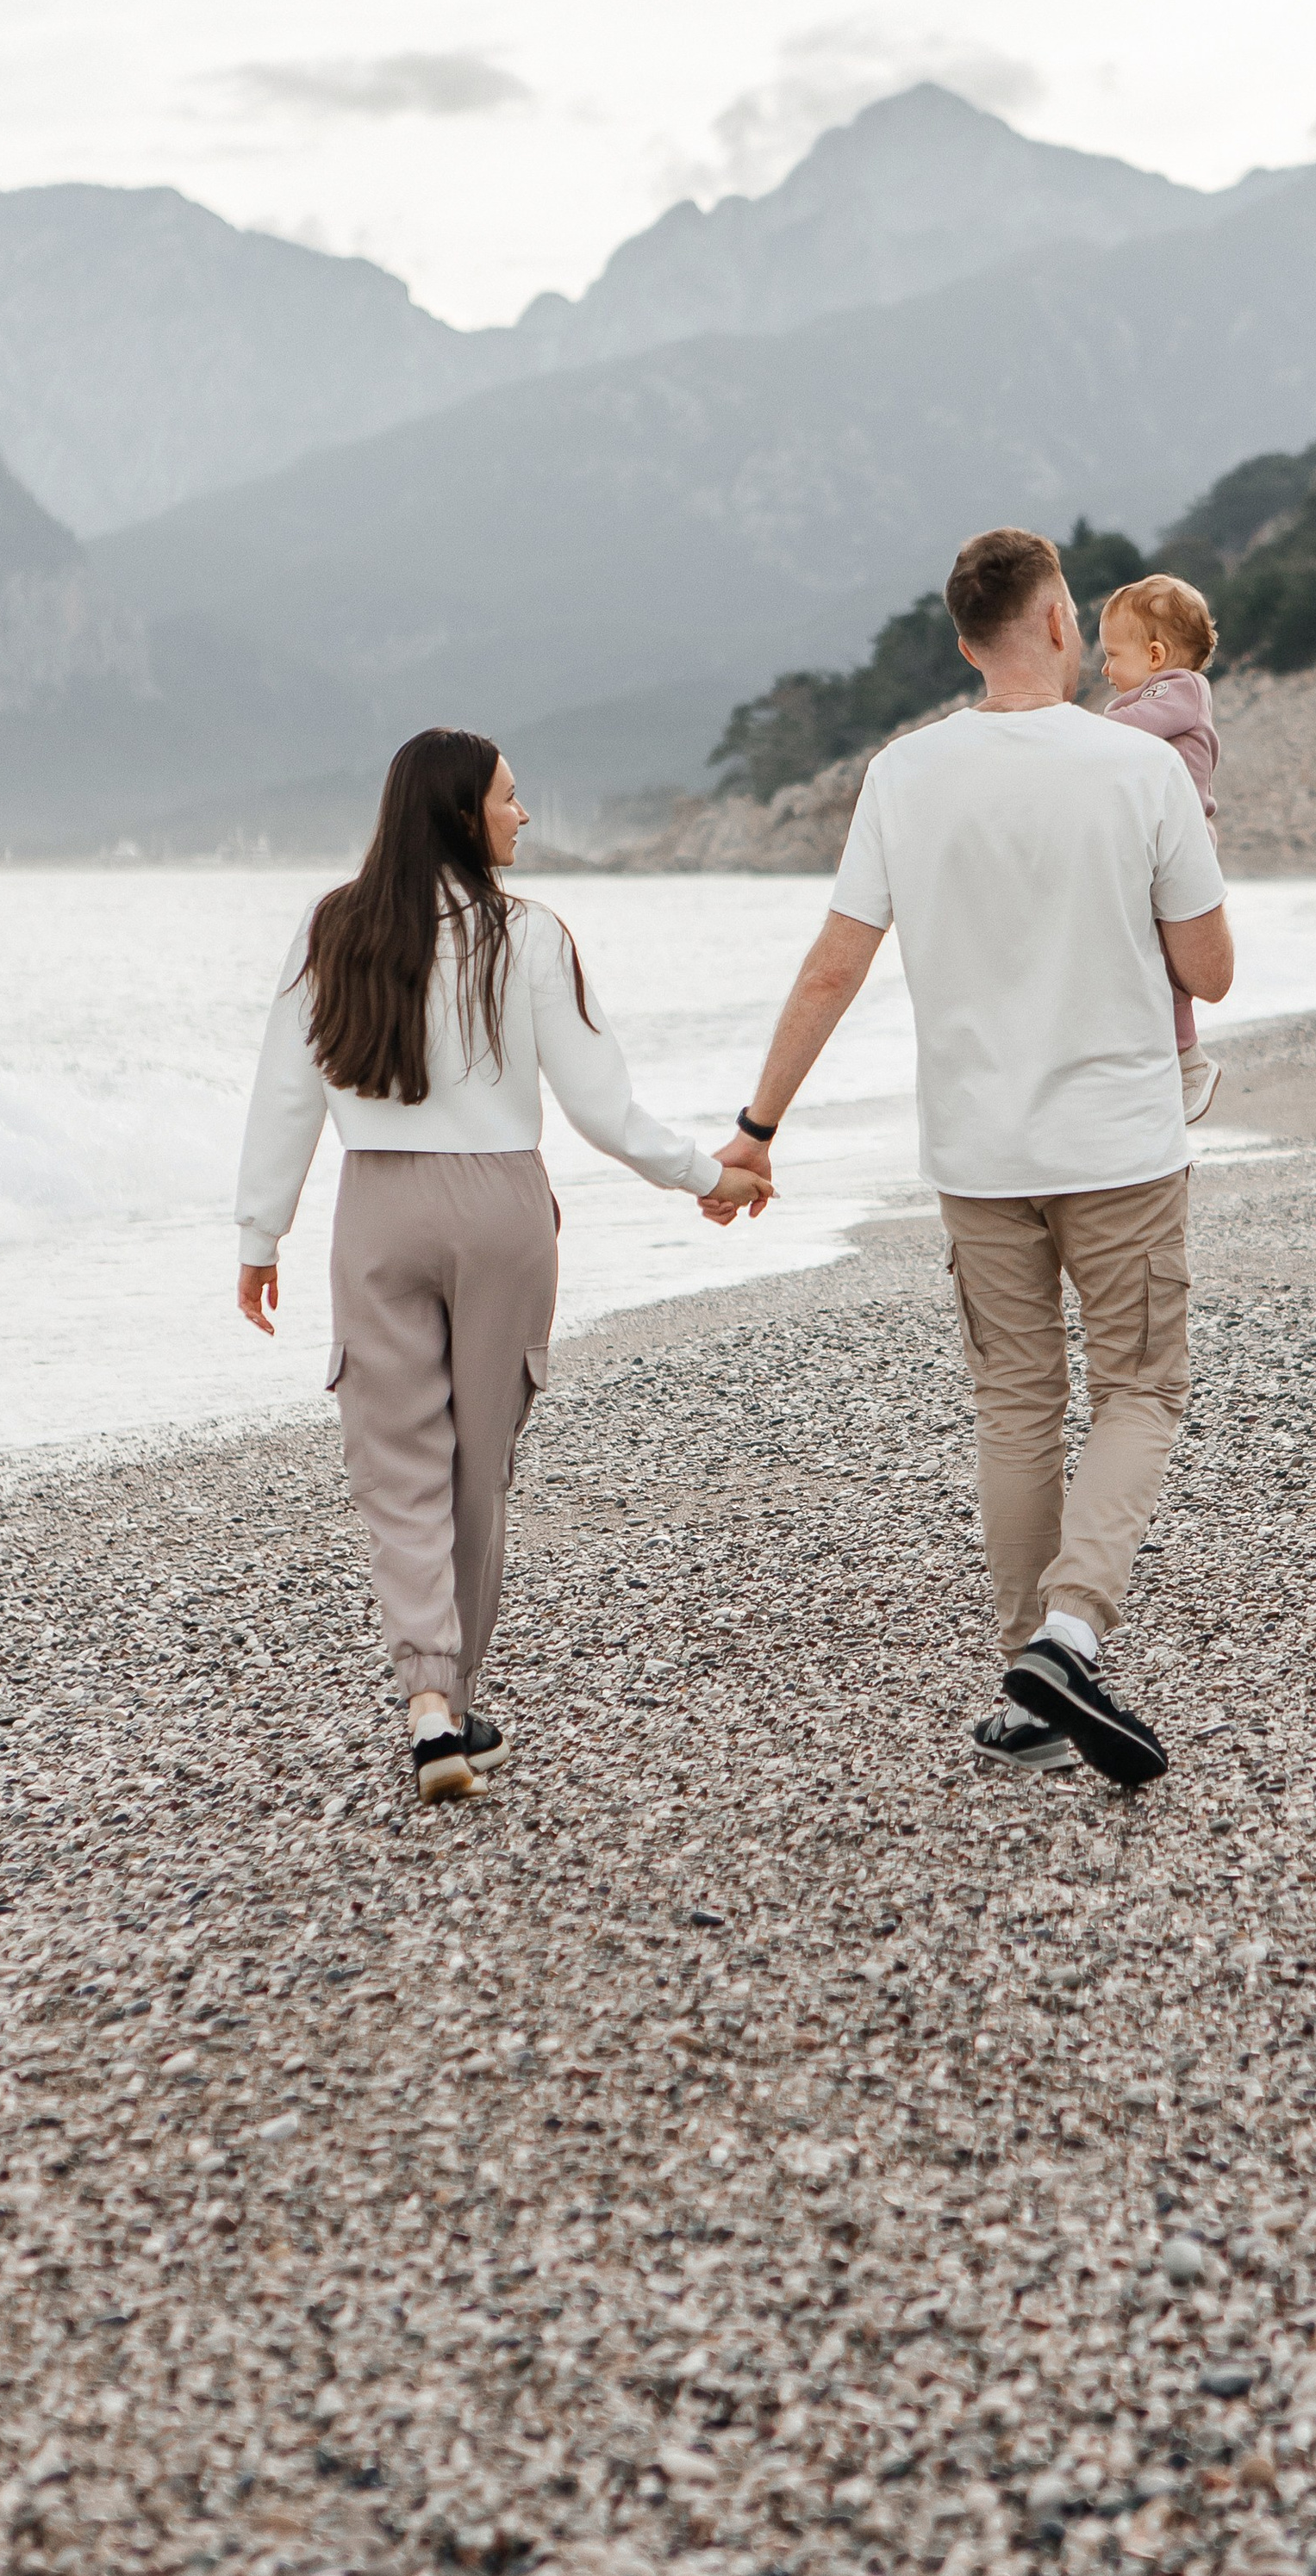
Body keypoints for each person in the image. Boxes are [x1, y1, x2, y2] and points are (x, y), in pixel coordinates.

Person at [708, 527, 1232, 1789]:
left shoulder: (903, 773)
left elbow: (836, 964)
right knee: (1141, 1389)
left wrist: (759, 1129)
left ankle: (1032, 1688)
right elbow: (1210, 969)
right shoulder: (1139, 768)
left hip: (979, 1154)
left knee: (1014, 1404)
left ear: (962, 641)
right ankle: (1069, 1631)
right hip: (1118, 1143)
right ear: (1060, 623)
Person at [234, 727, 765, 1804]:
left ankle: (430, 1701)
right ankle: (452, 1703)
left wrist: (260, 1234)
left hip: (377, 1207)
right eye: (511, 799)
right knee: (481, 1462)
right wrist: (707, 1173)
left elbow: (286, 1092)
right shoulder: (531, 936)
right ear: (460, 812)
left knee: (397, 1462)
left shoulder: (330, 926)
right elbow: (601, 1108)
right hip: (502, 1209)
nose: (525, 816)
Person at [1098, 572, 1224, 1123]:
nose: (1103, 670)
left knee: (1171, 962)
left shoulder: (1180, 691)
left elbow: (1131, 731)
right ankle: (1159, 1056)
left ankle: (1187, 1060)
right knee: (1147, 952)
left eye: (1111, 655)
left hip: (1185, 845)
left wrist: (1080, 728)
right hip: (1160, 844)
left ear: (1154, 655)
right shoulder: (1158, 692)